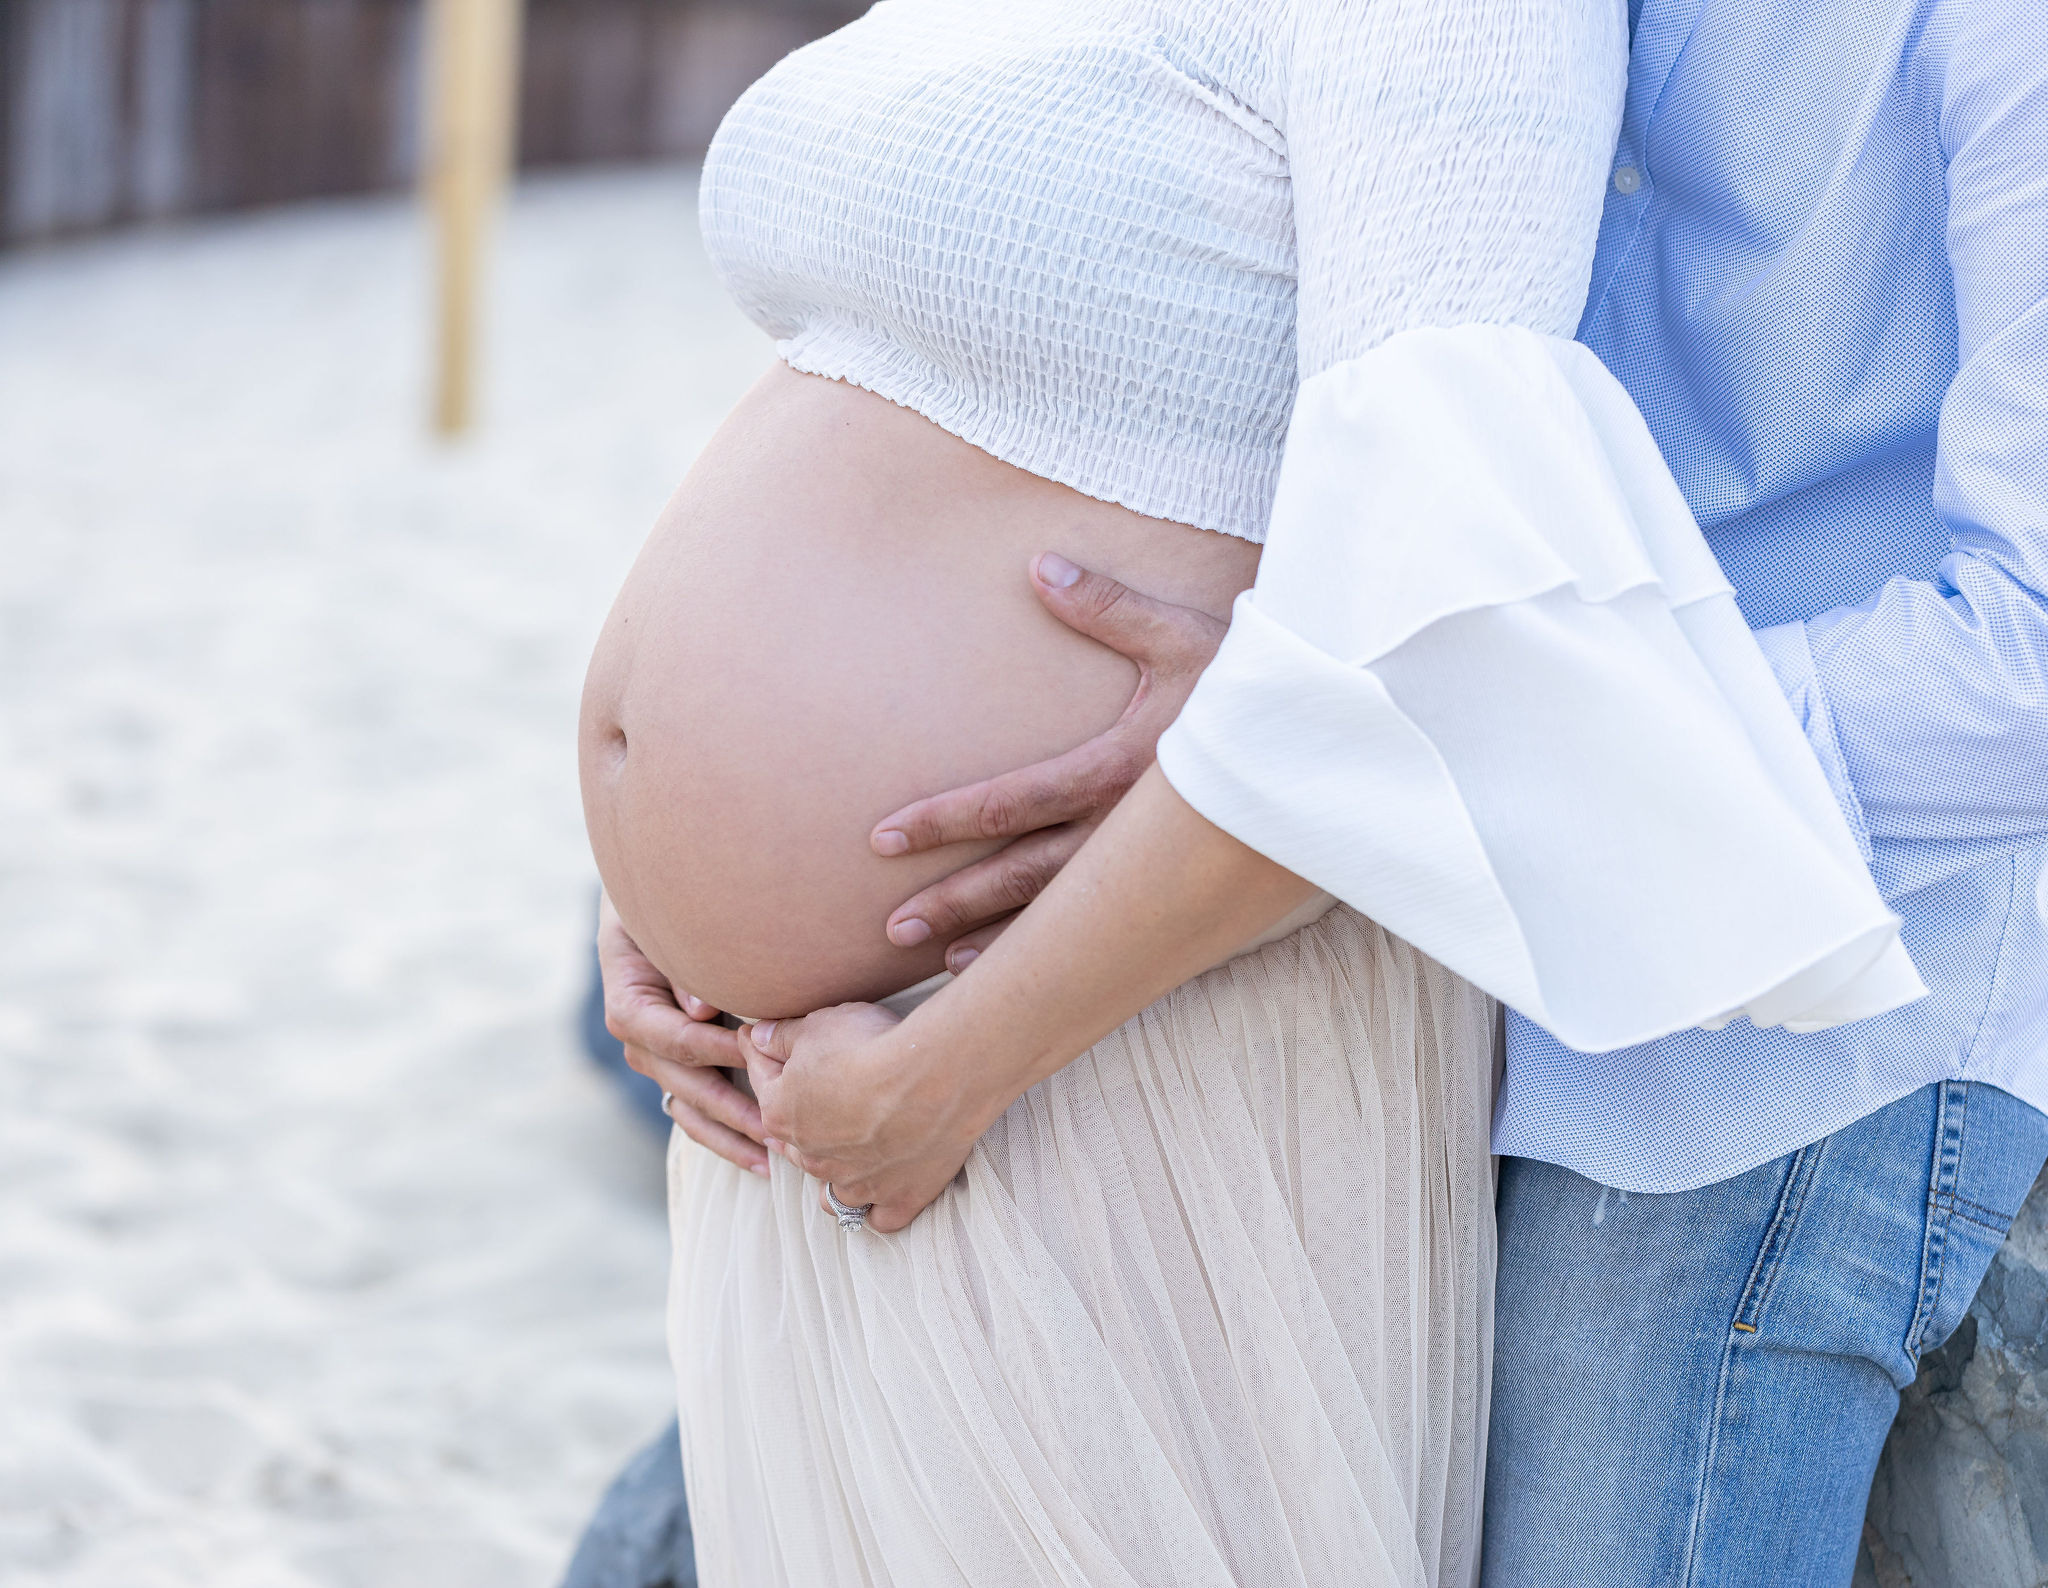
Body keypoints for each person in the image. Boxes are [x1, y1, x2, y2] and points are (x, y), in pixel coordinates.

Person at [577, 2, 1931, 1586]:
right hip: (798, 1085)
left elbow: (1438, 615)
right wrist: (663, 896)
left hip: (1096, 1037)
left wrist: (955, 1066)